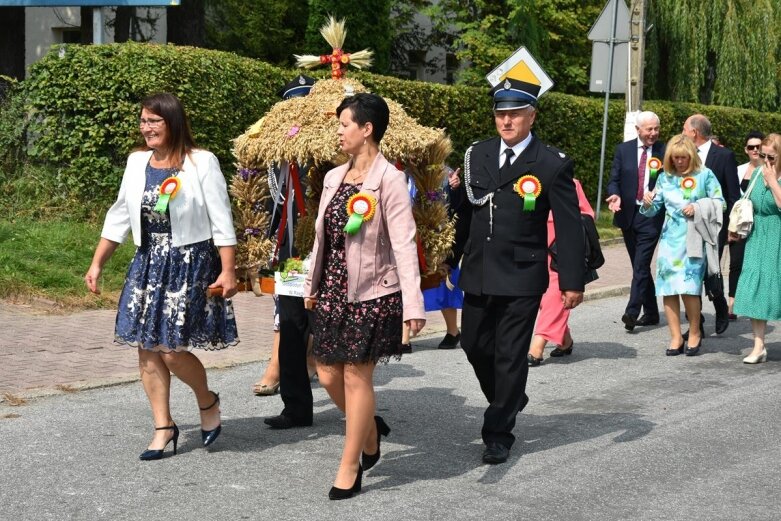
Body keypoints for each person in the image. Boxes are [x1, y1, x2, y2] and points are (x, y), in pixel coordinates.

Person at [84, 92, 238, 460]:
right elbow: (120, 213)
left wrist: (228, 269)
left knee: (171, 350)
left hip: (189, 261)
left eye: (154, 121)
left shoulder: (201, 162)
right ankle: (163, 426)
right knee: (146, 346)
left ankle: (207, 401)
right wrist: (97, 262)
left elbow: (221, 218)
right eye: (143, 121)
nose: (147, 128)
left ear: (173, 122)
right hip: (148, 261)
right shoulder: (137, 162)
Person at [303, 93, 425, 499]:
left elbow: (405, 244)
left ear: (366, 129)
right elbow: (323, 237)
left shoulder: (390, 180)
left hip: (374, 293)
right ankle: (370, 434)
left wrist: (414, 305)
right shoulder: (333, 178)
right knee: (326, 373)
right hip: (335, 289)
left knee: (356, 375)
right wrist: (311, 285)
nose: (338, 131)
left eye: (344, 124)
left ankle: (349, 463)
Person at [458, 78, 585, 465]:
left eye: (514, 114)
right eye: (501, 113)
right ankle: (509, 395)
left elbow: (568, 224)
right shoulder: (477, 154)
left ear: (532, 116)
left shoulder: (551, 163)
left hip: (522, 274)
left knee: (510, 354)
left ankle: (498, 432)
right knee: (474, 345)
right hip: (479, 270)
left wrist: (571, 280)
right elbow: (464, 214)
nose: (506, 121)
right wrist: (447, 259)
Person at [263, 74, 317, 428]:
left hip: (333, 249)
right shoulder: (277, 155)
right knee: (292, 323)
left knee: (333, 324)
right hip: (294, 251)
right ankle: (296, 406)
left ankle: (357, 405)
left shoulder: (335, 147)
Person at [640, 135, 724, 356]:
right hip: (670, 240)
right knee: (668, 289)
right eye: (675, 158)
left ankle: (694, 331)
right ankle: (675, 337)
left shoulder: (705, 175)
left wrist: (698, 207)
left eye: (683, 157)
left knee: (689, 288)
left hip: (694, 239)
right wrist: (647, 202)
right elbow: (652, 210)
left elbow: (720, 202)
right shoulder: (664, 178)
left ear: (691, 156)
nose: (679, 162)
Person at [606, 111, 666, 332]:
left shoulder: (665, 151)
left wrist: (657, 192)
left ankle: (632, 312)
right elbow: (614, 179)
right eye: (649, 129)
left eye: (656, 129)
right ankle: (651, 313)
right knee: (638, 266)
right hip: (627, 215)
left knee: (641, 264)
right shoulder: (624, 150)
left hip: (651, 215)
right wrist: (615, 195)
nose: (653, 133)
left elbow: (672, 179)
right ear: (638, 130)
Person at [682, 114, 740, 334]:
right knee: (691, 271)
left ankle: (720, 306)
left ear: (694, 132)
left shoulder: (723, 156)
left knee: (711, 272)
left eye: (684, 129)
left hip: (715, 225)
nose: (682, 133)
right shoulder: (684, 155)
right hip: (688, 224)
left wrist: (730, 228)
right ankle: (696, 324)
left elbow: (733, 195)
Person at [527, 178, 594, 366]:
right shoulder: (525, 183)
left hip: (560, 252)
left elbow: (586, 214)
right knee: (540, 300)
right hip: (532, 250)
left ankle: (537, 347)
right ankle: (565, 341)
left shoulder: (569, 183)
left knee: (553, 299)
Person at [732, 133, 781, 364]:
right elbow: (748, 200)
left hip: (778, 234)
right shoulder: (758, 171)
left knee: (775, 287)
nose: (766, 160)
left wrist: (772, 182)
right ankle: (759, 346)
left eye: (771, 157)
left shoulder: (772, 175)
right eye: (763, 155)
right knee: (755, 288)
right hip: (757, 235)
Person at [423, 166, 465, 350]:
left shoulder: (441, 171)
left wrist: (454, 187)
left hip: (437, 235)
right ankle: (404, 336)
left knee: (442, 283)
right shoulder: (400, 171)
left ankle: (453, 331)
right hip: (410, 233)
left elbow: (453, 205)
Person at [727, 131, 765, 320]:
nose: (755, 150)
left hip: (760, 225)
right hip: (740, 224)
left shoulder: (769, 170)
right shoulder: (738, 170)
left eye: (758, 146)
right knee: (735, 263)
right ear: (746, 150)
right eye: (751, 147)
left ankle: (753, 303)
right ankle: (732, 302)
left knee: (755, 265)